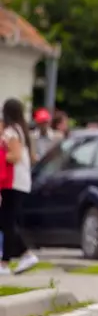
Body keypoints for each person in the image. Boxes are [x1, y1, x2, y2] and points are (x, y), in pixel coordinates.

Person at [0, 98, 40, 275]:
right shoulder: (23, 131)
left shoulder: (11, 132)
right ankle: (14, 258)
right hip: (21, 181)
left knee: (7, 221)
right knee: (7, 221)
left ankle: (9, 261)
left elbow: (14, 156)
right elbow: (31, 158)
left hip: (12, 181)